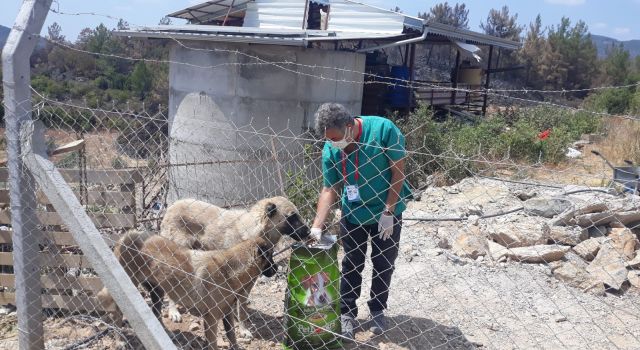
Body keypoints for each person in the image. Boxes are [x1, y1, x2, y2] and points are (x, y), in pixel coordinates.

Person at [310, 103, 411, 341]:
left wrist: (389, 212)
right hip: (353, 213)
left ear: (349, 126)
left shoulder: (383, 130)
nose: (333, 144)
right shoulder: (331, 148)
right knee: (352, 264)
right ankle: (347, 313)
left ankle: (377, 310)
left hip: (386, 211)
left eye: (335, 138)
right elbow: (329, 188)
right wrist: (316, 226)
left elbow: (398, 172)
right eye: (328, 140)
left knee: (384, 263)